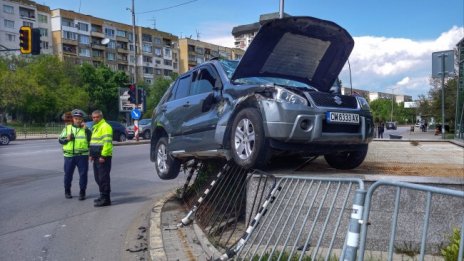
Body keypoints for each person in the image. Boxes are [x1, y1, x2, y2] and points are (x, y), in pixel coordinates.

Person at [58, 109, 91, 200]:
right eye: (76, 118)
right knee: (68, 174)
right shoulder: (67, 128)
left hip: (82, 155)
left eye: (80, 119)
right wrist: (67, 139)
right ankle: (67, 191)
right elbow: (60, 140)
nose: (78, 120)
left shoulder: (86, 129)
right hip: (69, 156)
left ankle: (82, 192)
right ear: (73, 119)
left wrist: (86, 130)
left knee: (83, 175)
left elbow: (90, 140)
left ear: (82, 120)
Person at [89, 110, 113, 207]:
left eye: (97, 117)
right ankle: (102, 195)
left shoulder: (105, 127)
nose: (95, 119)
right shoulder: (95, 127)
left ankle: (106, 199)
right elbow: (93, 143)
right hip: (96, 157)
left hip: (103, 157)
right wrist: (91, 154)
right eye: (93, 117)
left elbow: (107, 143)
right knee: (98, 178)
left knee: (103, 178)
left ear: (101, 117)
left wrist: (103, 156)